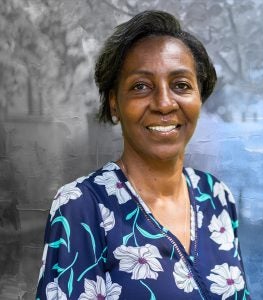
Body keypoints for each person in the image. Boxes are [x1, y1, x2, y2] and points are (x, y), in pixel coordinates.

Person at [36, 10, 250, 300]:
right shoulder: (81, 206)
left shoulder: (216, 196)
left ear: (200, 97)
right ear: (114, 104)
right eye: (141, 86)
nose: (164, 103)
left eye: (181, 85)